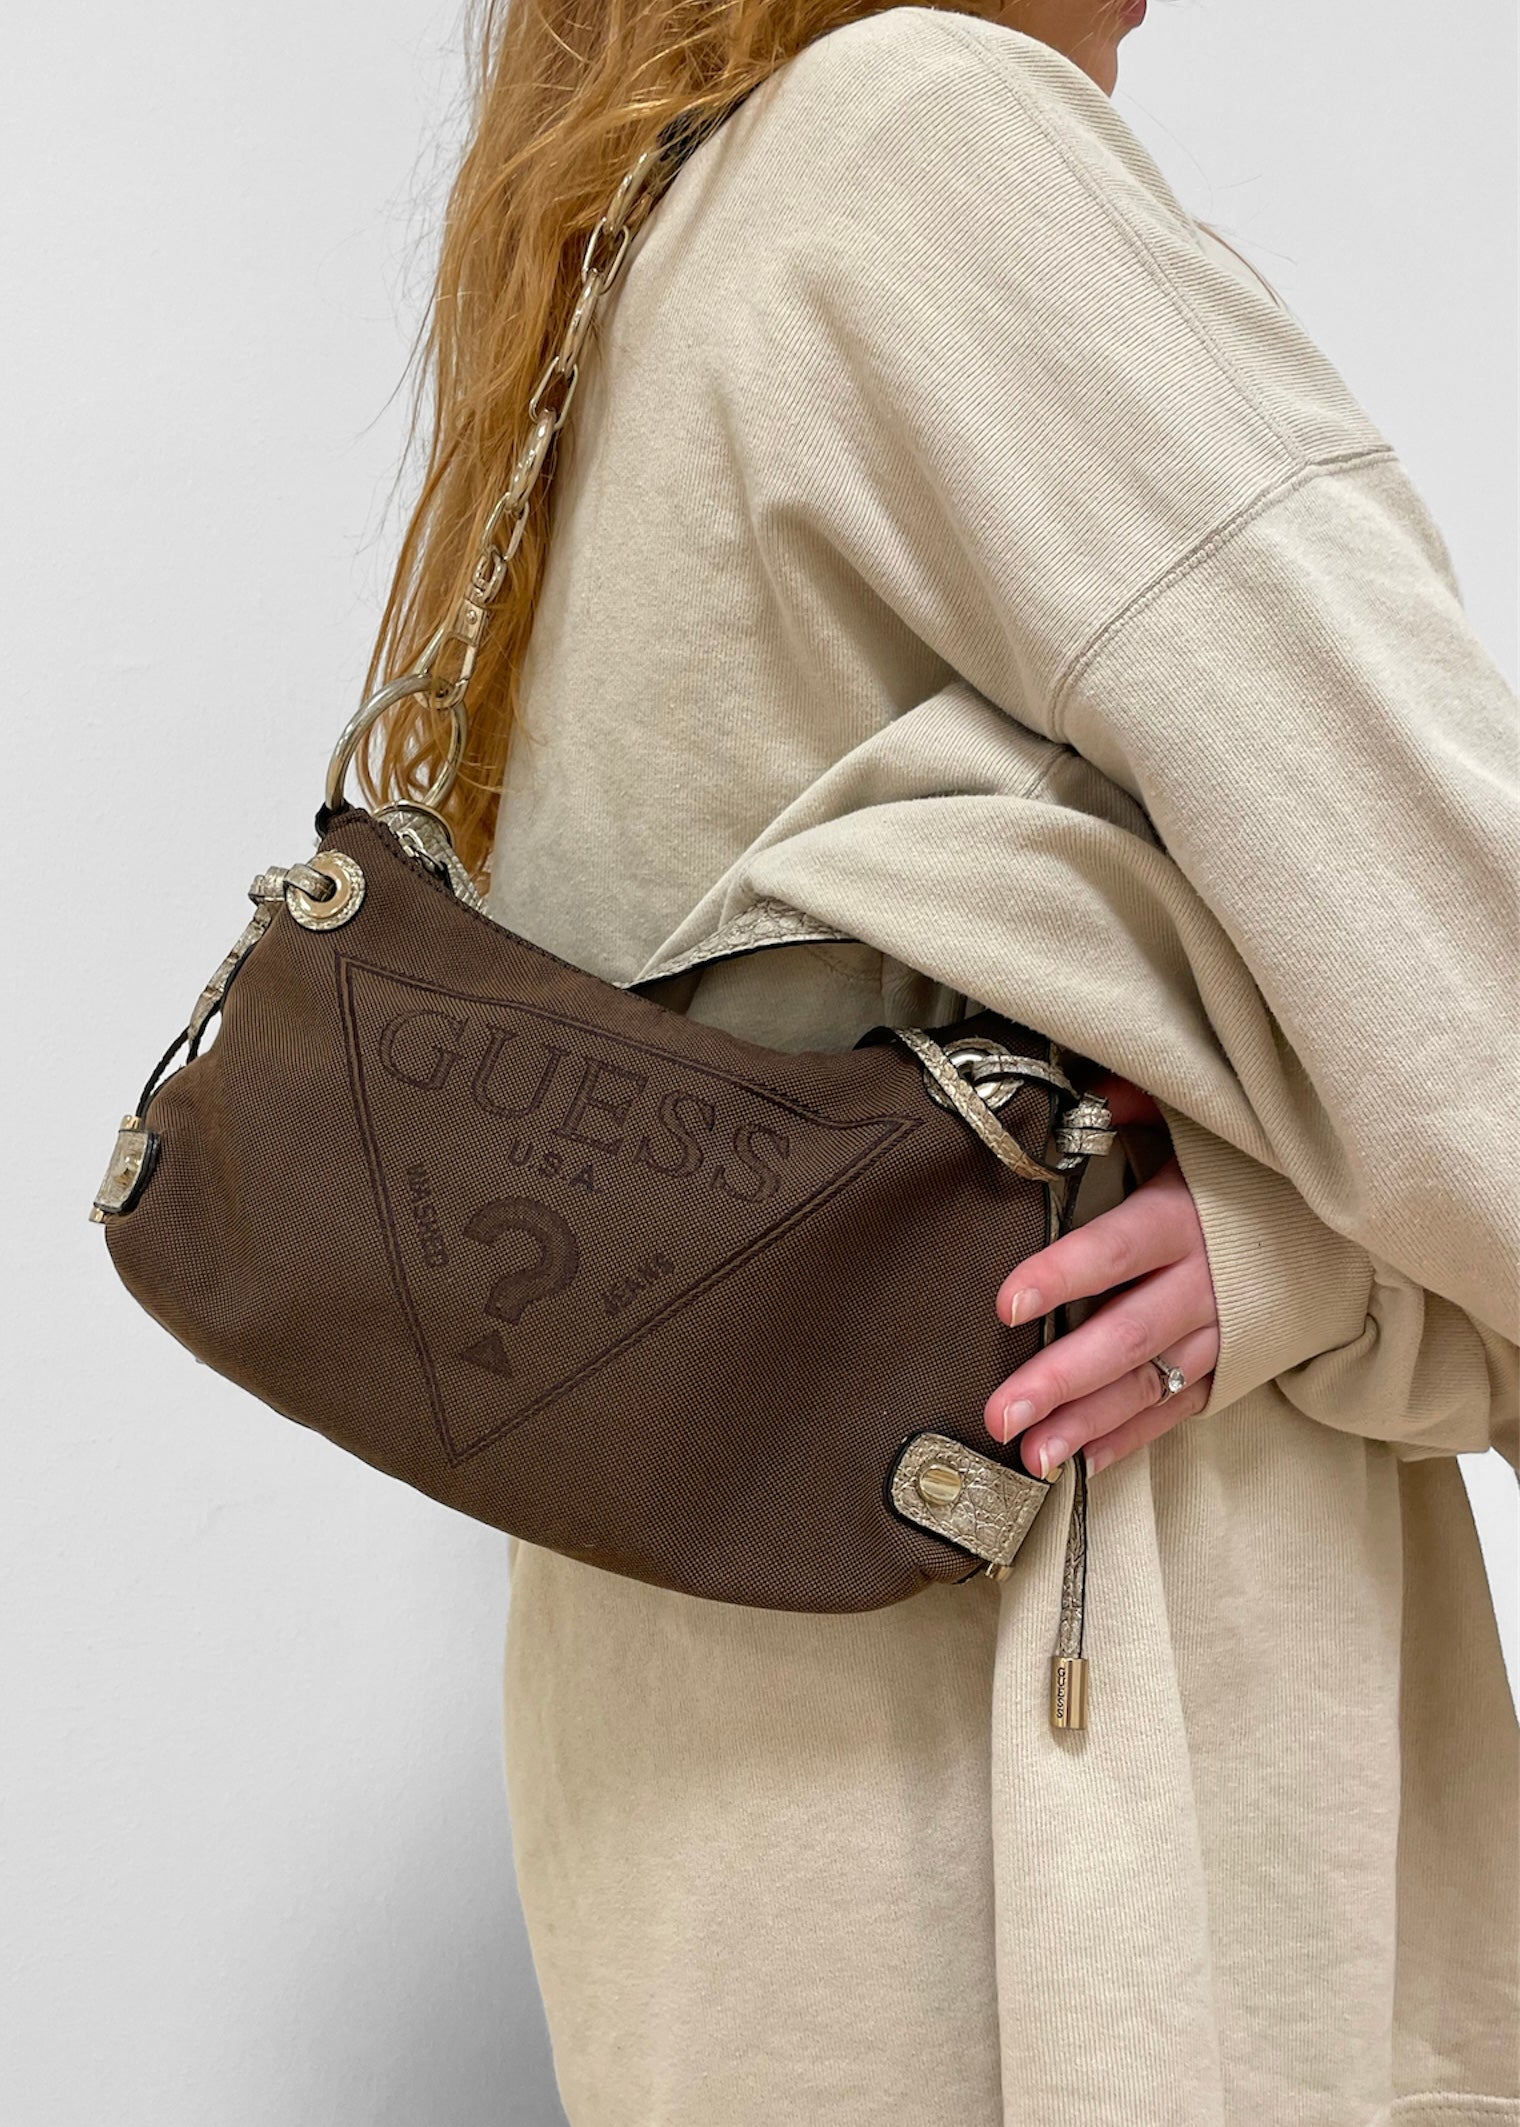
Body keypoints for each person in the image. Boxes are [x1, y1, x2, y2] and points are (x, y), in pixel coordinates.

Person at [362, 2, 1519, 2119]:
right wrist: (1350, 1268)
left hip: (736, 1806)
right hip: (1064, 1783)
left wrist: (1303, 1260)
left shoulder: (642, 232)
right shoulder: (928, 146)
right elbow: (1457, 979)